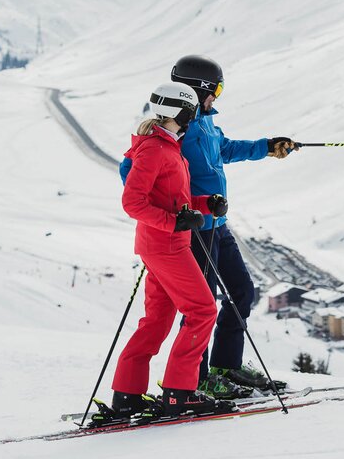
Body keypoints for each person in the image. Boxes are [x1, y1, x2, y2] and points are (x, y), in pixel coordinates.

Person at [119, 56, 298, 398]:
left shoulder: (204, 124)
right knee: (201, 305)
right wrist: (169, 214)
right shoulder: (177, 129)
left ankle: (225, 366)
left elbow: (224, 149)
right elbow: (130, 171)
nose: (217, 97)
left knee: (242, 291)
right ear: (199, 89)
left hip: (217, 223)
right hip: (193, 229)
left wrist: (265, 147)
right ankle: (197, 378)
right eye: (216, 90)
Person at [102, 81, 233, 424]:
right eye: (192, 111)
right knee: (203, 310)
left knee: (157, 322)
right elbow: (133, 202)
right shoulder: (155, 150)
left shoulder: (167, 146)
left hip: (162, 245)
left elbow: (175, 199)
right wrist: (174, 222)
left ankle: (127, 395)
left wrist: (206, 204)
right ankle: (180, 392)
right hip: (167, 246)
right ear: (183, 112)